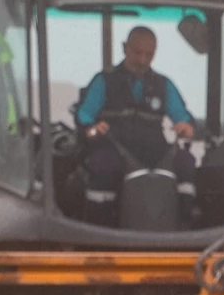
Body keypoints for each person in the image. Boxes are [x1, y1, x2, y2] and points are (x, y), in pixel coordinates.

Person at [75, 25, 198, 227]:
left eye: (149, 55)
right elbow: (84, 114)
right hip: (113, 148)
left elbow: (182, 116)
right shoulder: (104, 81)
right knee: (103, 166)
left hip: (153, 150)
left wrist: (185, 126)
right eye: (137, 53)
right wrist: (92, 128)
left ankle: (185, 224)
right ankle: (100, 229)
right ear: (125, 48)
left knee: (185, 162)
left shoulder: (163, 84)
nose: (142, 60)